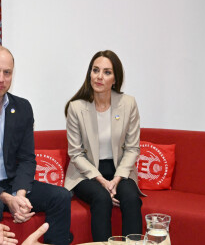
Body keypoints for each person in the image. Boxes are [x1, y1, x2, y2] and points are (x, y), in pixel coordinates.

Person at [64, 50, 143, 241]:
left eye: (107, 72)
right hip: (86, 172)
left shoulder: (128, 103)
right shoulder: (76, 107)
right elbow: (75, 154)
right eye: (95, 70)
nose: (99, 77)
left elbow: (132, 148)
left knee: (131, 199)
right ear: (89, 73)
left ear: (115, 79)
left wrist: (116, 179)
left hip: (120, 170)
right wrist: (101, 180)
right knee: (101, 198)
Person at [0, 46, 71, 245]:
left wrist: (19, 195)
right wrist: (6, 198)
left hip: (13, 182)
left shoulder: (22, 108)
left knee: (61, 197)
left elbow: (26, 159)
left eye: (7, 72)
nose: (2, 79)